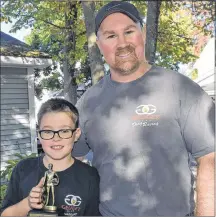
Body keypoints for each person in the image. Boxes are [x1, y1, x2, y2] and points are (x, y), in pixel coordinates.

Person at [72, 1, 215, 216]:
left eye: (129, 31)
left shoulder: (182, 89)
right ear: (100, 45)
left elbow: (209, 159)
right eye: (111, 36)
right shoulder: (88, 103)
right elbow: (71, 162)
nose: (122, 43)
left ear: (143, 33)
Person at [1, 98, 100, 216]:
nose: (56, 138)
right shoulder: (23, 169)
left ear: (76, 134)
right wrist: (27, 204)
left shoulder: (90, 176)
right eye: (48, 131)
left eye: (64, 131)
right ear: (39, 134)